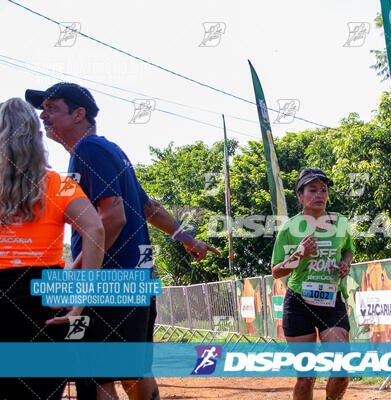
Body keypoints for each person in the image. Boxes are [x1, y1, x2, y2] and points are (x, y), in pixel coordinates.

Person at [25, 82, 222, 400]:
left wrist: (74, 274)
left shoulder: (89, 151)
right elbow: (148, 208)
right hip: (135, 279)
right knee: (133, 371)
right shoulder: (109, 150)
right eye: (42, 109)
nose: (44, 116)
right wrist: (186, 238)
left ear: (79, 114)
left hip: (106, 280)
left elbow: (112, 217)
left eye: (52, 108)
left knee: (95, 377)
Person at [0, 98, 105, 399]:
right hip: (44, 304)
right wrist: (80, 301)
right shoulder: (59, 184)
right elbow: (96, 229)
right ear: (36, 136)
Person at [271, 168, 355, 400]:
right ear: (300, 196)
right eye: (312, 190)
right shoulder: (290, 228)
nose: (319, 195)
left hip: (332, 301)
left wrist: (345, 264)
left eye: (324, 190)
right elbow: (277, 272)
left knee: (341, 369)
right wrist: (300, 253)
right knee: (306, 376)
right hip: (298, 303)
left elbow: (348, 250)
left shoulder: (341, 222)